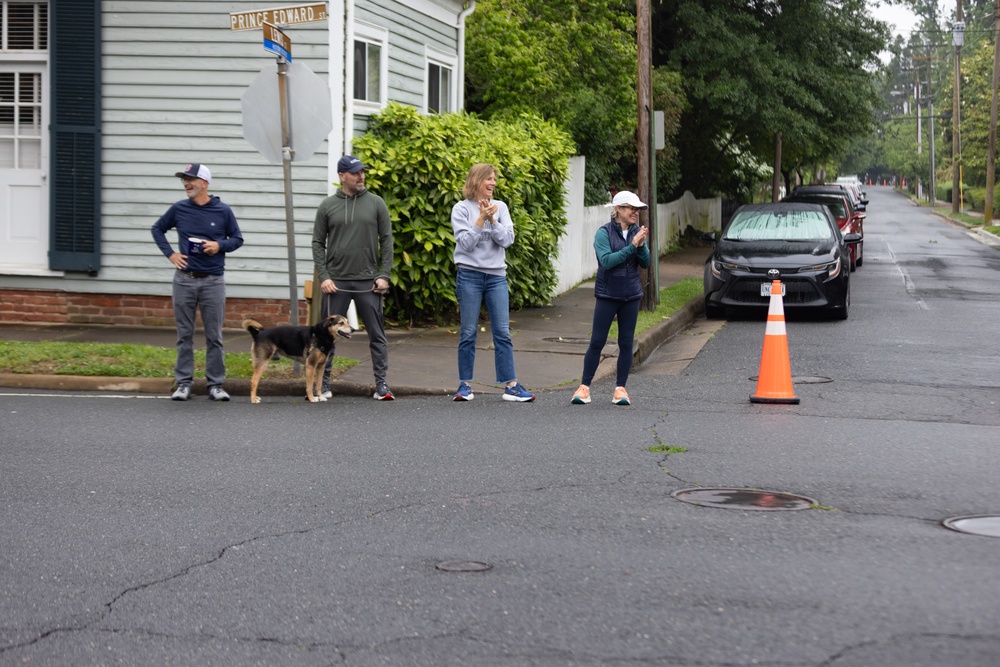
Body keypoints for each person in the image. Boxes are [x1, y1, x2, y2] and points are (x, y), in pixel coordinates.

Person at [151, 163, 244, 401]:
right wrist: (171, 255)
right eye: (184, 180)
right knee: (185, 335)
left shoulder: (222, 210)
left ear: (204, 183)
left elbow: (237, 239)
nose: (186, 183)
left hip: (213, 281)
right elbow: (157, 229)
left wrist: (219, 245)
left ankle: (215, 385)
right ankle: (183, 384)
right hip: (184, 280)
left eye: (190, 179)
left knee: (214, 335)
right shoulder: (179, 209)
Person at [450, 163, 535, 402]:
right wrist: (480, 219)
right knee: (468, 331)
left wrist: (493, 220)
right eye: (489, 178)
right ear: (476, 181)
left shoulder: (502, 207)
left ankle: (511, 385)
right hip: (469, 275)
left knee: (502, 332)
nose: (493, 182)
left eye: (494, 178)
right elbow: (465, 243)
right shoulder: (461, 209)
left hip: (497, 276)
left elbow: (507, 240)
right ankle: (464, 385)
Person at [312, 155, 395, 400]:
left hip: (368, 282)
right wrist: (324, 276)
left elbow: (387, 241)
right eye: (355, 172)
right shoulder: (327, 206)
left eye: (362, 172)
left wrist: (384, 275)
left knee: (377, 335)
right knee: (326, 336)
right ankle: (323, 385)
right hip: (334, 283)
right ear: (341, 176)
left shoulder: (376, 203)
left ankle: (381, 385)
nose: (361, 176)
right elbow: (317, 243)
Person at [571, 190, 651, 406]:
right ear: (618, 210)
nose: (635, 212)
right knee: (597, 341)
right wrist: (632, 246)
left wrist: (641, 246)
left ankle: (620, 390)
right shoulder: (603, 233)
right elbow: (607, 261)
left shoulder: (637, 232)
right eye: (631, 208)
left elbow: (645, 263)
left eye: (637, 209)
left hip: (631, 295)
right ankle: (584, 388)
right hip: (607, 294)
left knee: (626, 343)